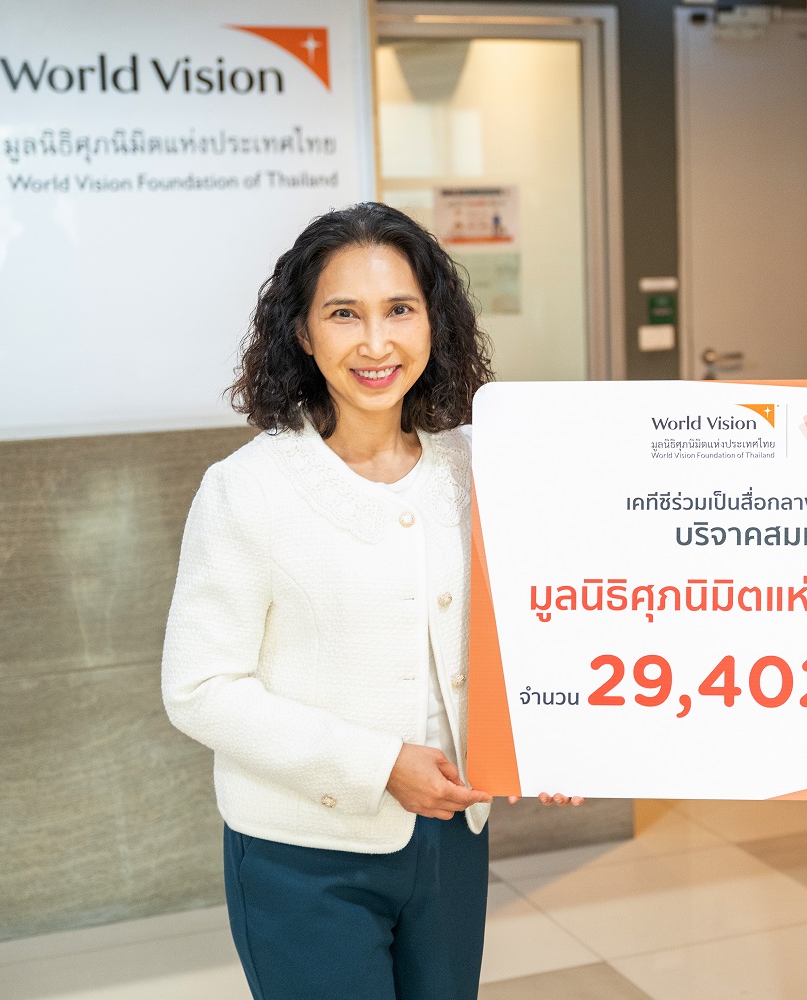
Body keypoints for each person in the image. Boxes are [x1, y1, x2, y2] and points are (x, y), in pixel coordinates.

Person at [162, 203, 578, 1000]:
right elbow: (199, 688)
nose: (377, 343)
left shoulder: (478, 467)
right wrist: (380, 764)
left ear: (434, 322)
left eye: (400, 310)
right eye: (344, 314)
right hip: (302, 856)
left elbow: (535, 619)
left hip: (452, 840)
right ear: (302, 332)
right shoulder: (247, 489)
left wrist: (559, 733)